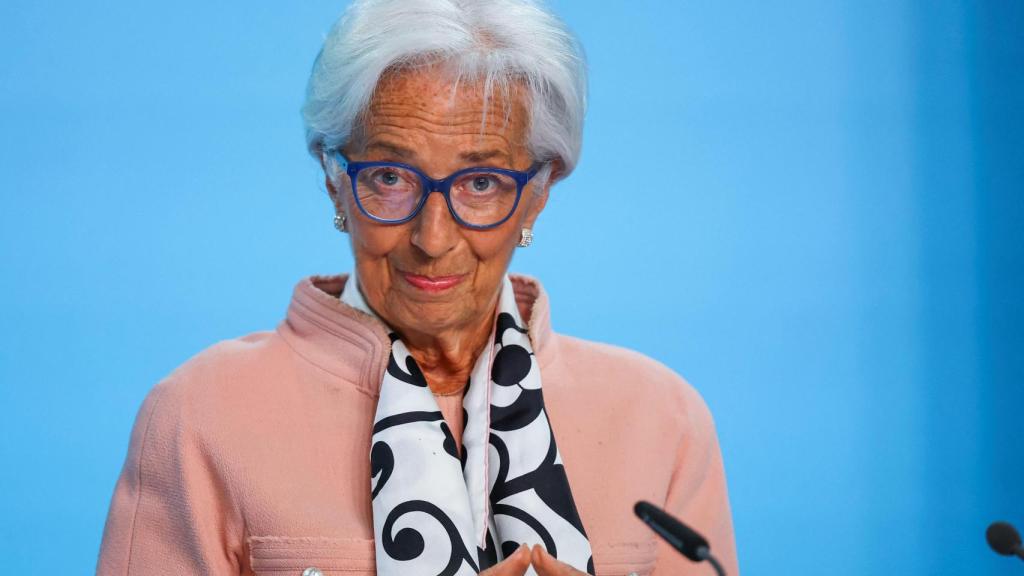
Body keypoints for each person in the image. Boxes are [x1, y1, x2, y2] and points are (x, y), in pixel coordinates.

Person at [96, 0, 738, 574]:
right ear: (335, 180)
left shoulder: (662, 420)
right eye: (390, 177)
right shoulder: (201, 415)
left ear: (537, 194)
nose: (433, 237)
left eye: (481, 183)